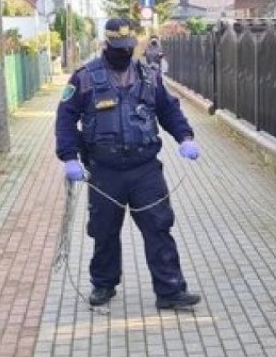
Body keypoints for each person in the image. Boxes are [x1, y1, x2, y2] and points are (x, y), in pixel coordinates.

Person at [55, 18, 202, 309]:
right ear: (106, 44)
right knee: (104, 229)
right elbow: (66, 118)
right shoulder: (84, 78)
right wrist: (69, 157)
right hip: (104, 170)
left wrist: (185, 137)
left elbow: (168, 110)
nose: (124, 53)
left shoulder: (149, 76)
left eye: (128, 47)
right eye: (118, 47)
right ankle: (104, 284)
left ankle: (170, 290)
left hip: (144, 168)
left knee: (159, 227)